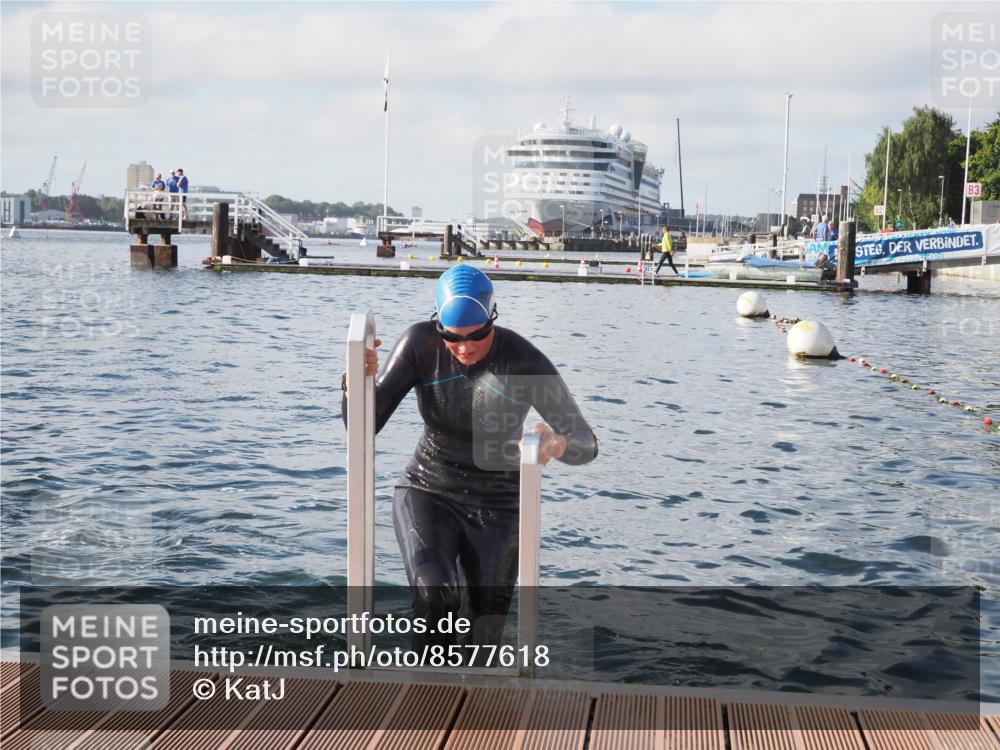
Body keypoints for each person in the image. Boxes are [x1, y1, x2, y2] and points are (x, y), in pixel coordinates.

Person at [342, 265, 598, 647]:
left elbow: (587, 442)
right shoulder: (419, 344)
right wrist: (353, 383)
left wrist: (557, 445)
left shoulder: (523, 361)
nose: (465, 347)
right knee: (434, 597)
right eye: (451, 337)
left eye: (477, 335)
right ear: (437, 325)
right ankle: (427, 683)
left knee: (483, 631)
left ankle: (472, 685)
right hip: (428, 487)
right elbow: (363, 426)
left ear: (493, 318)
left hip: (499, 503)